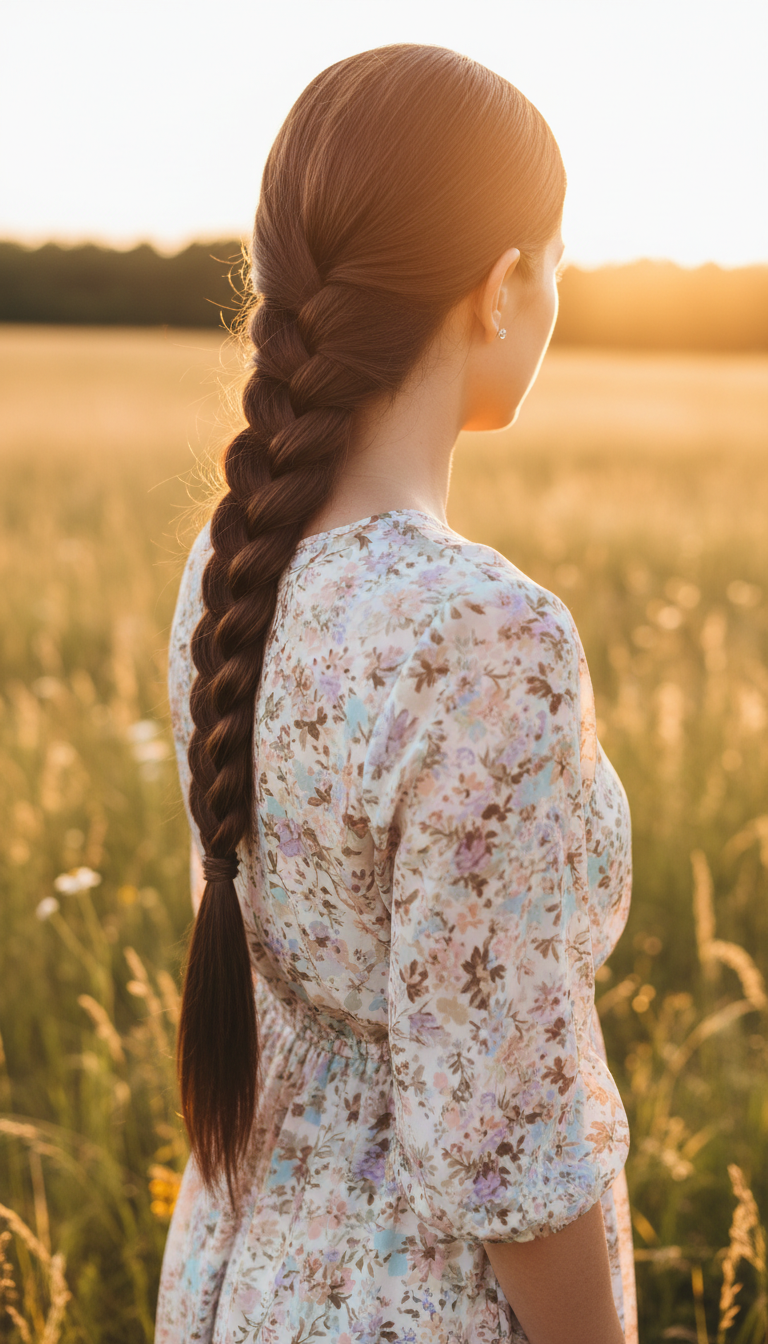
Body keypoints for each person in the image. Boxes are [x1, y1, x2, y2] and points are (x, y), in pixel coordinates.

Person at [156, 43, 636, 1344]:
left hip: (242, 1281)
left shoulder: (230, 561)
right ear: (503, 289)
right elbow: (512, 1152)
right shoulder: (485, 640)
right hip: (420, 1308)